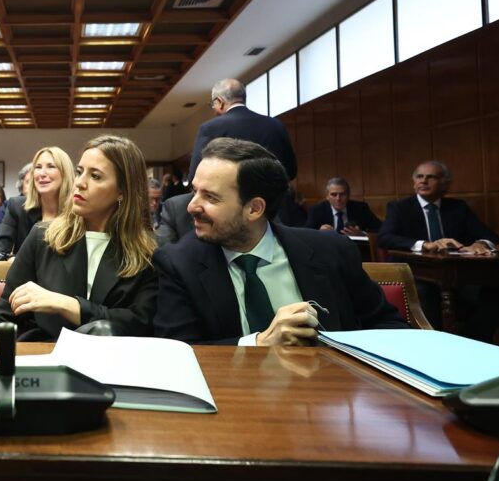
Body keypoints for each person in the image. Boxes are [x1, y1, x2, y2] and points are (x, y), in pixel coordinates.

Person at [154, 138, 406, 346]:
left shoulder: (331, 251)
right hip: (233, 399)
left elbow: (389, 326)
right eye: (194, 191)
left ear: (254, 209)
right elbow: (178, 352)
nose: (191, 206)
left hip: (330, 397)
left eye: (210, 197)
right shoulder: (178, 263)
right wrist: (259, 342)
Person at [0, 136, 157, 341]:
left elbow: (140, 323)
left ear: (122, 191)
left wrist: (68, 304)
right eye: (80, 172)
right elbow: (3, 316)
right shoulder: (42, 236)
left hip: (112, 364)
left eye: (96, 176)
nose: (79, 183)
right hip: (44, 360)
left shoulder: (148, 252)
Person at [377, 160, 499, 335]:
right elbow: (384, 238)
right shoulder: (400, 207)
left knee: (492, 294)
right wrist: (423, 244)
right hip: (415, 273)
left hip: (454, 275)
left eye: (431, 177)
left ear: (444, 184)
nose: (423, 181)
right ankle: (434, 344)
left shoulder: (458, 207)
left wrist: (480, 243)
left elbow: (493, 237)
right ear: (414, 182)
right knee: (425, 295)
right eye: (419, 177)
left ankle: (470, 342)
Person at [188, 78, 296, 180]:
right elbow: (291, 171)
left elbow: (195, 175)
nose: (213, 109)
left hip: (230, 198)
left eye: (213, 104)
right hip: (272, 197)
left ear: (220, 101)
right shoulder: (276, 124)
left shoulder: (210, 128)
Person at [0, 146, 73, 261]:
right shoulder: (17, 207)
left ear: (65, 173)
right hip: (24, 278)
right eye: (38, 167)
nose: (42, 173)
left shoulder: (77, 211)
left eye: (51, 166)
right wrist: (12, 259)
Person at [305, 177, 382, 234]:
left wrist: (361, 233)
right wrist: (319, 233)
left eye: (342, 194)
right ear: (327, 196)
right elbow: (306, 234)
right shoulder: (316, 210)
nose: (338, 199)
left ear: (348, 195)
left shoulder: (361, 208)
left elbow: (381, 229)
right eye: (334, 195)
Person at [0, 164, 30, 239]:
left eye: (36, 182)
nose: (33, 186)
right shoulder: (9, 205)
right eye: (29, 182)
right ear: (22, 186)